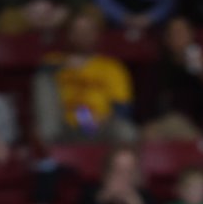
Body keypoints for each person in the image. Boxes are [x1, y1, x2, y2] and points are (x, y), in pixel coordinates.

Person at [32, 7, 135, 146]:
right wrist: (63, 65)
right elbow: (41, 86)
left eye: (88, 30)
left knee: (127, 131)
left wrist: (104, 118)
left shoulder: (111, 67)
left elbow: (123, 108)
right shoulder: (53, 62)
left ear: (96, 34)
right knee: (43, 79)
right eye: (78, 30)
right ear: (69, 34)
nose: (83, 35)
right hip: (63, 127)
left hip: (99, 126)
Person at [144, 16, 203, 140]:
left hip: (193, 130)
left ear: (191, 35)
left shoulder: (202, 68)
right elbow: (146, 109)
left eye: (183, 32)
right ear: (166, 39)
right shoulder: (156, 69)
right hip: (160, 127)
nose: (179, 37)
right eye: (175, 33)